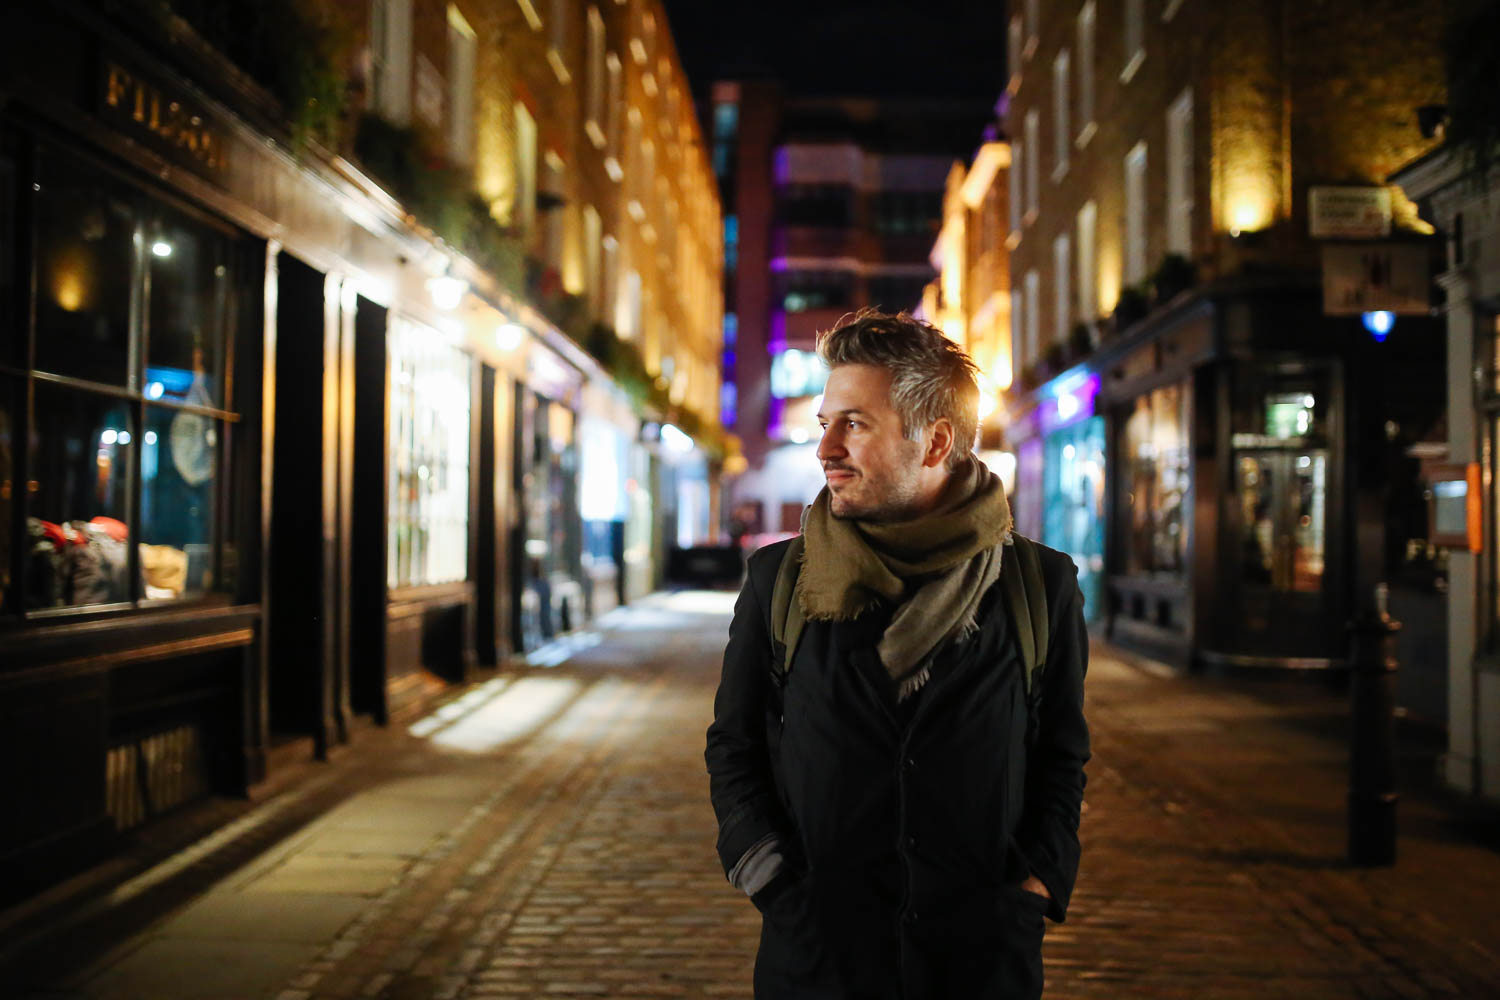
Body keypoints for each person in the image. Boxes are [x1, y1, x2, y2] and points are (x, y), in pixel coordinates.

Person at [705, 310, 1090, 999]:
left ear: (934, 441)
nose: (826, 448)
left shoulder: (1038, 584)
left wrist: (1034, 885)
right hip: (819, 961)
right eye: (826, 422)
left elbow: (1061, 756)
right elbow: (735, 745)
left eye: (854, 424)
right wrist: (774, 881)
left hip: (978, 965)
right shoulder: (780, 581)